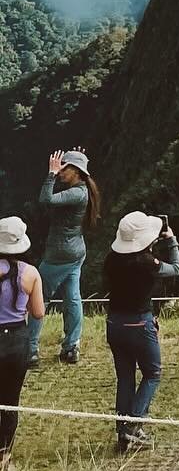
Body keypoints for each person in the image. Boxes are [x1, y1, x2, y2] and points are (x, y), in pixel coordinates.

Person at [104, 211, 179, 453]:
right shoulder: (148, 264)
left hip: (115, 324)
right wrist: (171, 241)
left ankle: (122, 432)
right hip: (140, 324)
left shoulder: (111, 260)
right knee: (152, 374)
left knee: (125, 378)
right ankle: (134, 425)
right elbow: (176, 268)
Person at [29, 149, 101, 369]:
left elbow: (46, 199)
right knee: (72, 297)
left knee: (38, 299)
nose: (60, 171)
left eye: (64, 168)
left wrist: (51, 174)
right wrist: (75, 158)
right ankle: (71, 346)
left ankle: (29, 349)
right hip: (76, 251)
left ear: (76, 172)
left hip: (59, 255)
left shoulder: (77, 194)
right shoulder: (80, 190)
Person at [0, 218, 44, 471]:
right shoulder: (30, 273)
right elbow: (37, 312)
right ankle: (3, 458)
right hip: (17, 339)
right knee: (9, 402)